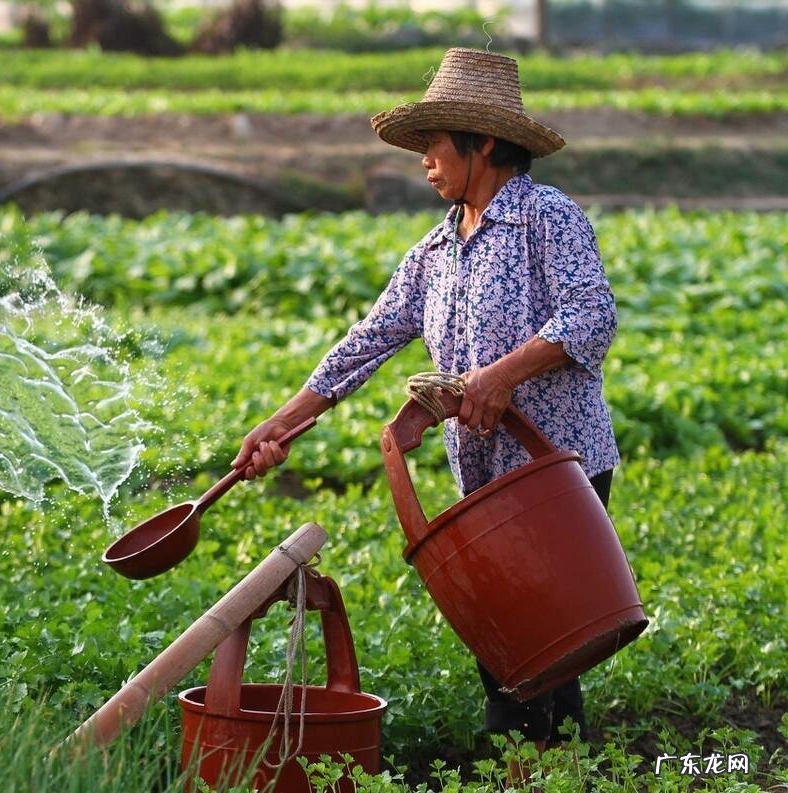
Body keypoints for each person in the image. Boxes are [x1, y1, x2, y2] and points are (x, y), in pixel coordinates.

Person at [228, 48, 620, 781]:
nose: (424, 162)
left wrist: (501, 375)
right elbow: (363, 344)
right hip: (484, 487)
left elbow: (592, 315)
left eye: (433, 146)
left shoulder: (546, 218)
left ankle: (547, 771)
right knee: (503, 644)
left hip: (556, 474)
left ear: (486, 145)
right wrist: (279, 423)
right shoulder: (436, 251)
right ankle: (532, 771)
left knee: (545, 647)